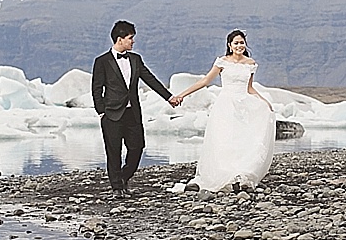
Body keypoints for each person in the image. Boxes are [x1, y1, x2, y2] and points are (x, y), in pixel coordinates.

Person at [172, 30, 276, 192]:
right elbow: (205, 81)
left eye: (242, 42)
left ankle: (241, 174)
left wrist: (264, 102)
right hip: (226, 105)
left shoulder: (250, 63)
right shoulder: (222, 62)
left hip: (244, 105)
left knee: (243, 140)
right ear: (229, 45)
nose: (239, 45)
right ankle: (225, 173)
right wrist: (182, 94)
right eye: (236, 43)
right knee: (225, 139)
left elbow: (249, 88)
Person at [91, 20, 180, 196]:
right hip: (111, 114)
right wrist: (101, 111)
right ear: (119, 39)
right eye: (130, 38)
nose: (133, 41)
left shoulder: (135, 59)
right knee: (113, 152)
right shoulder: (102, 61)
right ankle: (117, 188)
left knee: (137, 147)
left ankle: (123, 177)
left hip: (132, 113)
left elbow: (150, 79)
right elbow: (96, 88)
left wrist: (169, 97)